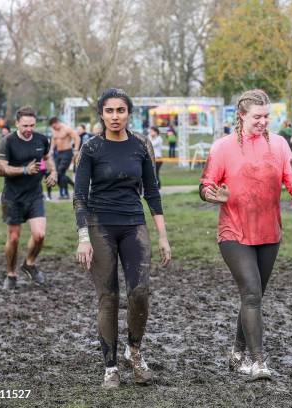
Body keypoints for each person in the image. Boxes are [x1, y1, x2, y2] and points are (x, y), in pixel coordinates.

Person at [199, 89, 292, 381]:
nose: (263, 122)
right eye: (257, 117)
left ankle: (237, 351)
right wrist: (214, 197)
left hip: (269, 232)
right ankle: (258, 362)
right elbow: (205, 185)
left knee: (254, 297)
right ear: (242, 116)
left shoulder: (280, 145)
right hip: (234, 231)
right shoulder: (222, 147)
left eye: (266, 116)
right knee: (250, 292)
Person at [74, 88, 172, 389]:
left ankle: (135, 351)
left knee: (140, 292)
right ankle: (111, 367)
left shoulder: (142, 144)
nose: (115, 116)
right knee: (109, 297)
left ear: (129, 113)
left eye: (121, 110)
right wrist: (83, 238)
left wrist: (162, 236)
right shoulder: (90, 148)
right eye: (109, 111)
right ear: (101, 114)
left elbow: (152, 192)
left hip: (133, 225)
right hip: (100, 226)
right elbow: (79, 196)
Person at [0, 106, 58, 290]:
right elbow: (0, 169)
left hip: (34, 195)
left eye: (32, 125)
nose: (28, 129)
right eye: (25, 125)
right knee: (14, 237)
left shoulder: (41, 139)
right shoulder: (7, 141)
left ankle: (29, 264)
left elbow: (47, 158)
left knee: (39, 235)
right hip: (12, 197)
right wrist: (24, 170)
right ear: (17, 123)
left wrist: (53, 172)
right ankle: (11, 274)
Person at [49, 117, 80, 199]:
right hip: (58, 153)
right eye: (52, 127)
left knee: (60, 172)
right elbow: (53, 140)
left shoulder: (66, 128)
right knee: (56, 173)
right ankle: (71, 187)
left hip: (67, 153)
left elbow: (77, 138)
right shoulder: (54, 130)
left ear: (57, 122)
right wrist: (51, 149)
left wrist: (76, 150)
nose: (54, 128)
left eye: (55, 126)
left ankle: (65, 193)